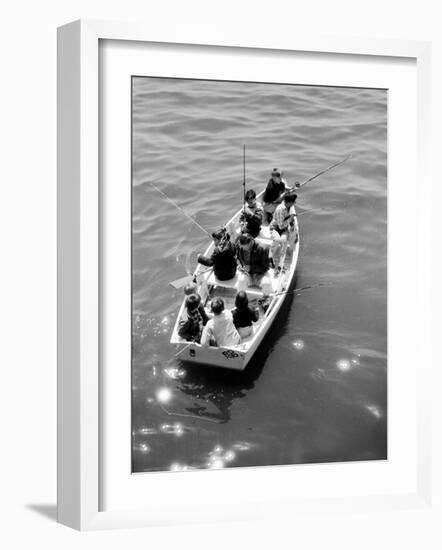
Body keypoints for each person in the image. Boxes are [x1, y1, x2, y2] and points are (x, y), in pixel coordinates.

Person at [270, 191, 298, 274]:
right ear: (289, 202)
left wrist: (291, 220)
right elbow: (280, 225)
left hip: (283, 230)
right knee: (278, 240)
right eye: (294, 202)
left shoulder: (288, 207)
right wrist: (291, 218)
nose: (295, 203)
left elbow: (287, 221)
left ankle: (279, 265)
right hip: (275, 228)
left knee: (284, 242)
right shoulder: (280, 209)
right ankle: (270, 258)